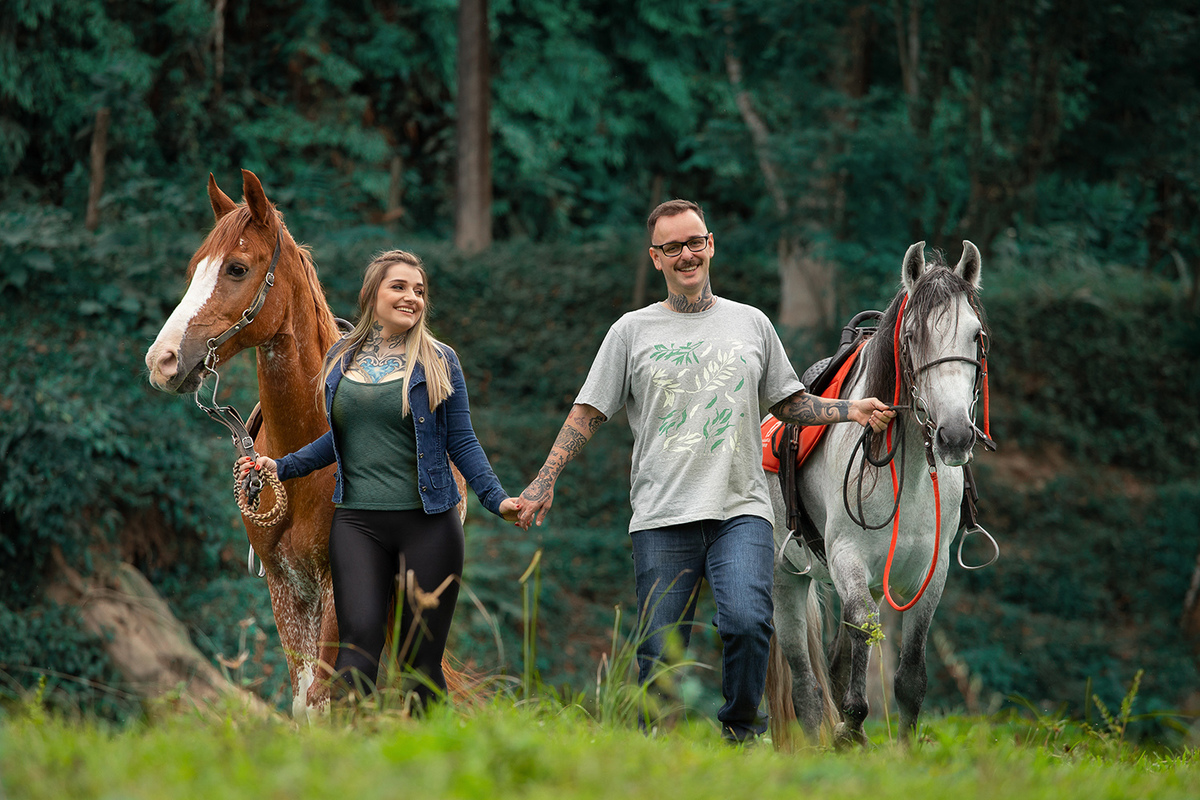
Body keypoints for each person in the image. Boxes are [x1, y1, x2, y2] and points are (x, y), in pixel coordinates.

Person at [516, 200, 894, 742]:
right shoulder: (631, 331)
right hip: (662, 514)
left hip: (740, 509)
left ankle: (740, 734)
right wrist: (544, 479)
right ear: (656, 258)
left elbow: (788, 404)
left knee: (747, 623)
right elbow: (589, 411)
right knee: (659, 642)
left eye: (694, 242)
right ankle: (654, 744)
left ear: (710, 245)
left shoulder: (751, 322)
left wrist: (848, 410)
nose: (685, 254)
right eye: (671, 247)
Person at [238, 249, 519, 706]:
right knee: (354, 657)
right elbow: (340, 440)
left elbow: (461, 442)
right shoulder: (341, 360)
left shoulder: (439, 360)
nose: (413, 298)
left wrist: (497, 499)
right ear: (373, 295)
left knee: (418, 666)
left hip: (428, 525)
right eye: (400, 287)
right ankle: (353, 765)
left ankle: (428, 764)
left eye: (420, 290)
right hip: (358, 525)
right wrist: (280, 466)